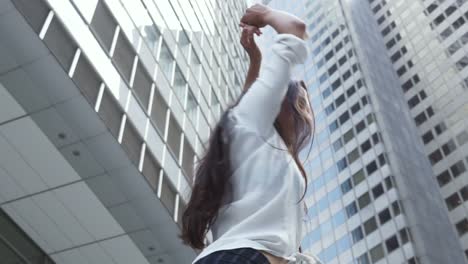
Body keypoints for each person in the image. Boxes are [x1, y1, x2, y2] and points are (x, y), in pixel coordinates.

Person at [180, 4, 321, 264]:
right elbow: (295, 28)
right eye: (301, 103)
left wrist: (255, 61)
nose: (308, 114)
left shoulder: (264, 149)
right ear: (278, 103)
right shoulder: (254, 127)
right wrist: (264, 15)